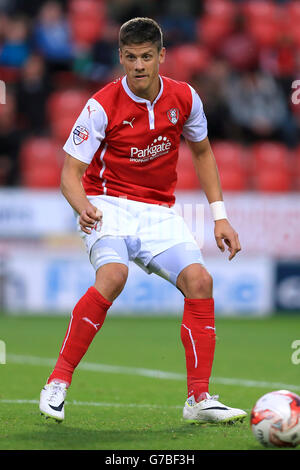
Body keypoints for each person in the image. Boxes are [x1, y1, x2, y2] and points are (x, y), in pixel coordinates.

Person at [39, 17, 246, 424]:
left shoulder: (185, 98)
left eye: (146, 57)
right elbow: (68, 175)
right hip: (107, 204)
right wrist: (83, 207)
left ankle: (199, 399)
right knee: (114, 276)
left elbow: (202, 153)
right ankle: (57, 382)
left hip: (157, 211)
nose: (138, 66)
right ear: (120, 58)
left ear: (161, 57)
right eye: (130, 57)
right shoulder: (101, 104)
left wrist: (220, 218)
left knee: (201, 281)